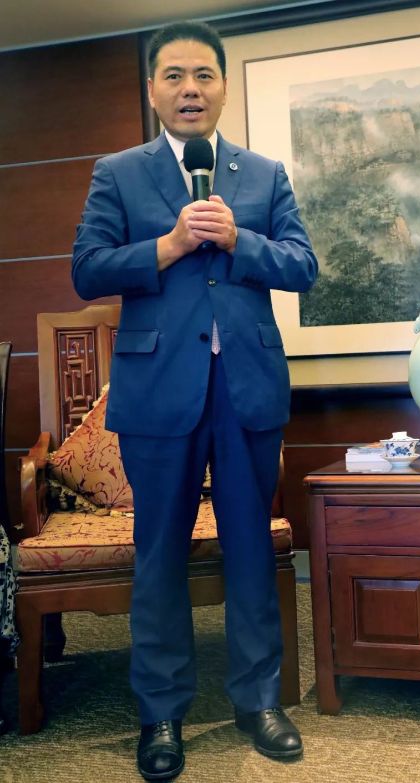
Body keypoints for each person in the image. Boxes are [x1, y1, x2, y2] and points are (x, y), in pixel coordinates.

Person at [72, 20, 317, 781]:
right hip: (156, 392)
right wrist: (169, 245)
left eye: (203, 75)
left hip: (247, 389)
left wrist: (241, 239)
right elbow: (87, 269)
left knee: (250, 547)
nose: (189, 89)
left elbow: (302, 266)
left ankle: (258, 701)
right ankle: (161, 713)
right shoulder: (118, 172)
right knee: (159, 556)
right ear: (151, 89)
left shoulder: (264, 174)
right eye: (173, 75)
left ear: (222, 87)